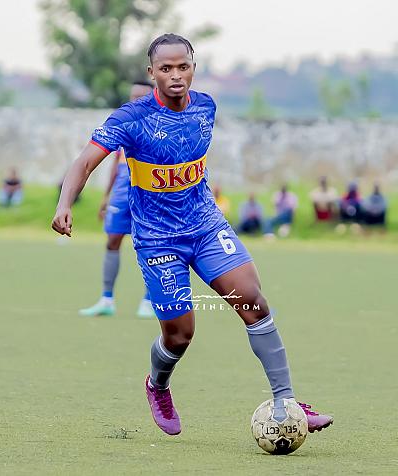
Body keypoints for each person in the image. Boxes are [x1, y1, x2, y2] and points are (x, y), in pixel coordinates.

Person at [52, 33, 332, 436]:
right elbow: (84, 162)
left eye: (183, 66)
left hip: (206, 227)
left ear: (193, 69)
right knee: (180, 335)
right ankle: (157, 385)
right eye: (165, 68)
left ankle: (286, 402)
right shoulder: (131, 118)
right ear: (152, 73)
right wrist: (65, 204)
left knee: (252, 302)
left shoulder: (206, 107)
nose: (176, 75)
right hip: (158, 240)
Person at [79, 81, 155, 318]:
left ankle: (149, 301)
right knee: (112, 239)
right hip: (122, 189)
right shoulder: (123, 124)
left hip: (149, 191)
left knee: (152, 246)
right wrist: (107, 195)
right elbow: (114, 161)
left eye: (141, 96)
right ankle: (106, 299)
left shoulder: (160, 125)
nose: (135, 101)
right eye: (133, 96)